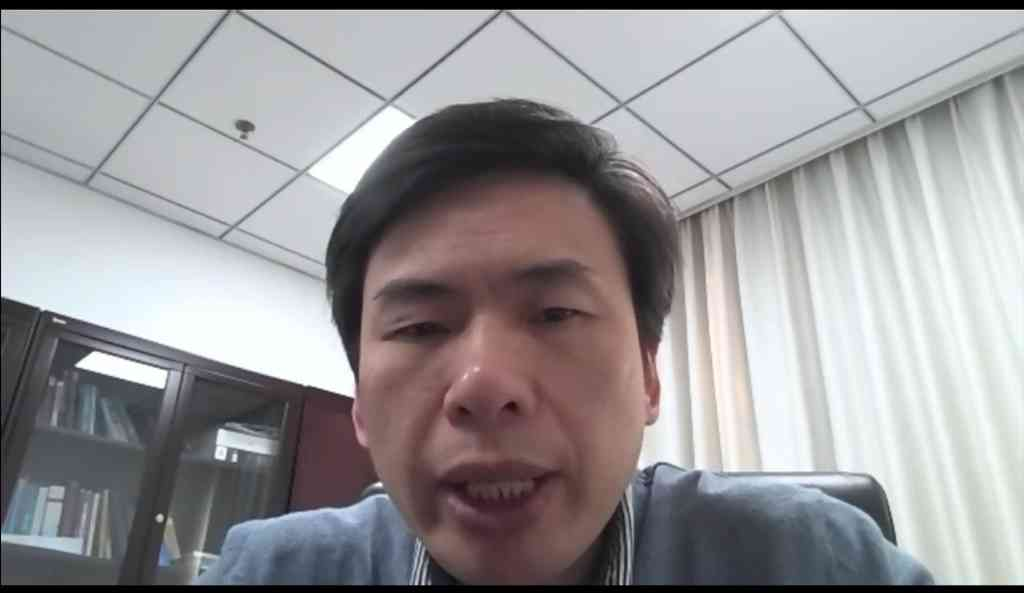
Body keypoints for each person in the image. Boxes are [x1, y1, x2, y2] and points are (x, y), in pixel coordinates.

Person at [196, 99, 934, 585]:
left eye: (554, 314)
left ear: (648, 377)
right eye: (420, 327)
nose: (484, 385)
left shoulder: (811, 559)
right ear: (360, 403)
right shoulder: (274, 572)